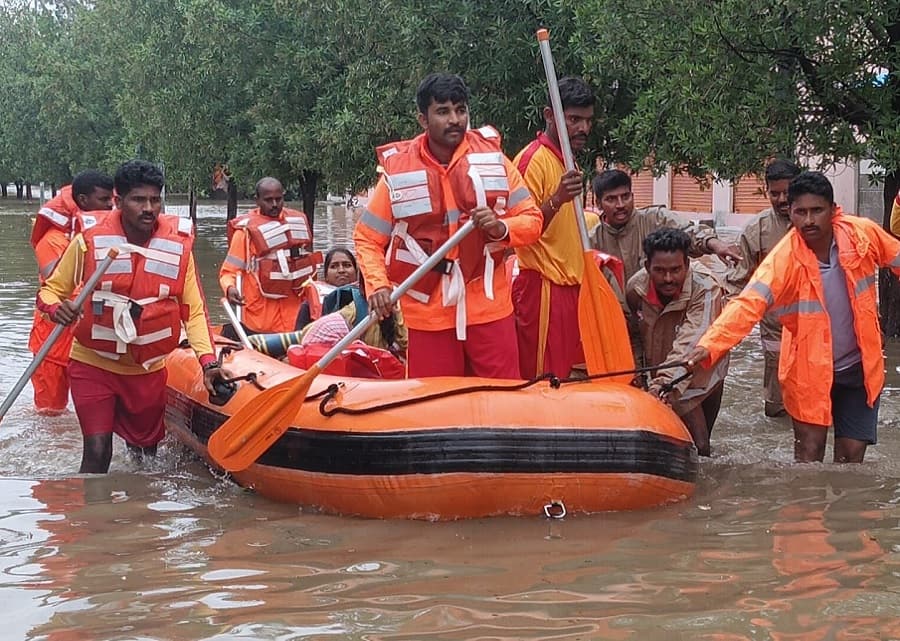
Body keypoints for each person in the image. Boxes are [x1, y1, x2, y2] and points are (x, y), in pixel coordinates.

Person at [687, 171, 900, 463]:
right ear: (791, 213)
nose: (809, 220)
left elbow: (896, 257)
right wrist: (709, 346)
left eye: (817, 211)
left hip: (859, 367)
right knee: (808, 460)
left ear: (833, 209)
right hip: (807, 369)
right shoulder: (783, 258)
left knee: (852, 462)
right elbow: (746, 306)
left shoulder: (862, 234)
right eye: (801, 212)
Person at [36, 160, 230, 473]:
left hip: (147, 369)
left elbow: (193, 312)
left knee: (146, 458)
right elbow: (49, 292)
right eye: (139, 200)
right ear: (119, 201)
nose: (149, 208)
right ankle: (93, 520)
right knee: (97, 452)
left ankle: (139, 519)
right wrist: (59, 309)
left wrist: (208, 363)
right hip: (93, 362)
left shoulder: (179, 246)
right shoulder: (88, 240)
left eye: (155, 200)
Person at [354, 72, 543, 378]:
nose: (455, 119)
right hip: (428, 312)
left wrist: (500, 228)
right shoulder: (399, 171)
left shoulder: (494, 159)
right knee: (433, 405)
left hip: (488, 306)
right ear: (423, 120)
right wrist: (378, 285)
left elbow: (532, 220)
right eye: (443, 111)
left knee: (503, 397)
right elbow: (367, 238)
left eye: (461, 109)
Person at [511, 77, 599, 378]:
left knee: (569, 380)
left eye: (587, 120)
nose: (583, 129)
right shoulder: (531, 160)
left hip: (573, 290)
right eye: (573, 119)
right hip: (543, 290)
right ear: (550, 116)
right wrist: (557, 199)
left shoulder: (568, 161)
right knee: (541, 380)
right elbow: (518, 232)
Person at [626, 228, 728, 456]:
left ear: (688, 265)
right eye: (660, 271)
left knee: (701, 446)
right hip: (664, 371)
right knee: (694, 444)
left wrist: (659, 387)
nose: (668, 278)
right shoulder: (635, 289)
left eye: (675, 270)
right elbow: (634, 336)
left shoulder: (707, 288)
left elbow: (692, 342)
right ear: (647, 268)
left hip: (704, 370)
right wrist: (639, 379)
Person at [28, 170, 114, 415]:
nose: (110, 206)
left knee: (92, 412)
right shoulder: (52, 240)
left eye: (112, 201)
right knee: (50, 413)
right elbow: (57, 286)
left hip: (88, 340)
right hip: (52, 340)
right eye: (104, 200)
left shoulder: (108, 238)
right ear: (84, 201)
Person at [728, 159, 802, 417]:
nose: (782, 199)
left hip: (819, 329)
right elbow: (738, 283)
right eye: (774, 193)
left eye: (788, 191)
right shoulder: (756, 230)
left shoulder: (818, 222)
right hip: (775, 329)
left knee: (819, 404)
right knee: (776, 406)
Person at [589, 169, 741, 283]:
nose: (620, 205)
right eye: (611, 199)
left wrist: (715, 244)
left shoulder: (655, 218)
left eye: (625, 196)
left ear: (632, 196)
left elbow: (688, 232)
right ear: (598, 203)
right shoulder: (591, 241)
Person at [219, 177, 321, 334]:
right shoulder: (245, 232)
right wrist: (230, 288)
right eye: (268, 200)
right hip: (260, 317)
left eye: (278, 199)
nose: (274, 204)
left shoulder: (297, 223)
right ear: (257, 200)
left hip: (295, 314)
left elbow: (307, 266)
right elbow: (229, 271)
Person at [295, 246, 359, 330]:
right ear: (326, 276)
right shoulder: (308, 306)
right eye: (334, 266)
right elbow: (299, 336)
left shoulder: (368, 298)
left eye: (347, 265)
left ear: (356, 272)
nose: (341, 270)